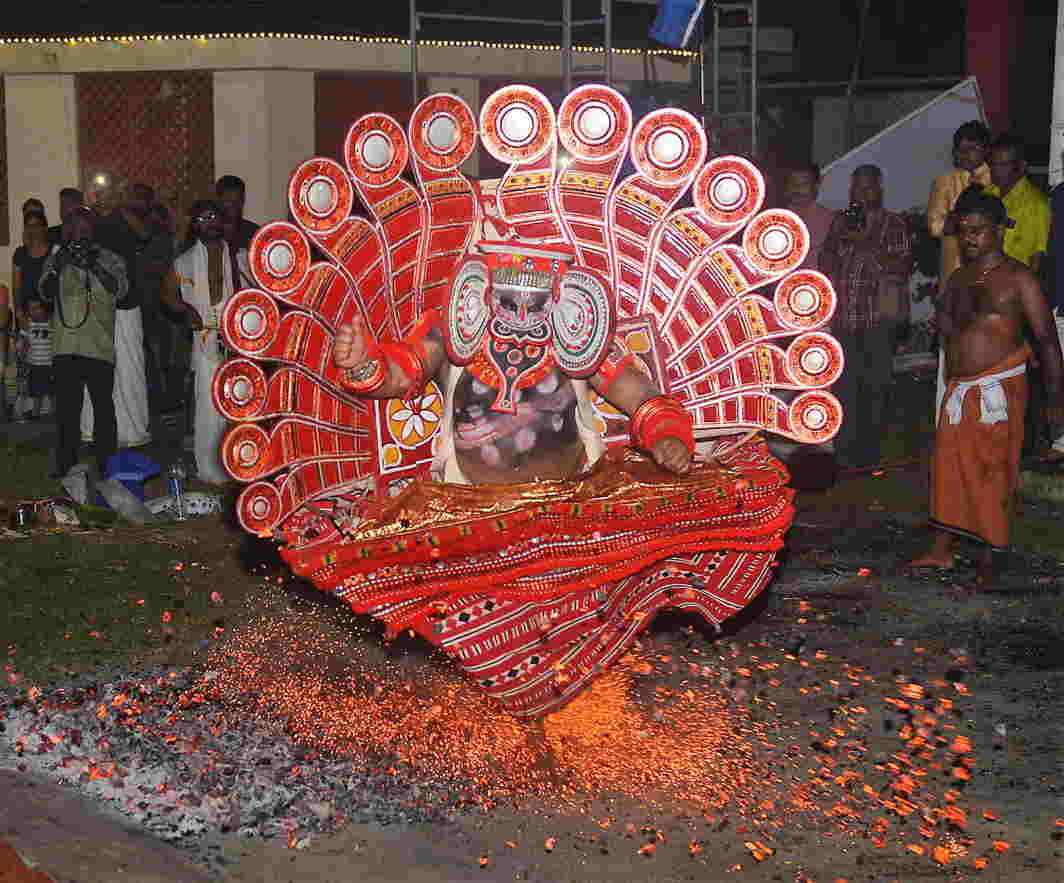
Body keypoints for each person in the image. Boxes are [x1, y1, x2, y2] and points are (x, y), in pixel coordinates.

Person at [909, 188, 1064, 585]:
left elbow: (1047, 340)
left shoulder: (1019, 279)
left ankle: (993, 553)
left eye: (979, 231)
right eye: (964, 232)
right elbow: (948, 324)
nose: (970, 238)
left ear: (999, 230)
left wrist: (1055, 400)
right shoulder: (960, 277)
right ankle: (943, 549)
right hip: (959, 388)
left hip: (997, 392)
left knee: (992, 472)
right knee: (948, 468)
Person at [819, 164, 913, 470]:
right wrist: (835, 240)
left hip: (878, 322)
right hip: (845, 320)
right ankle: (845, 456)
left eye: (867, 187)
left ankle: (871, 457)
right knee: (846, 389)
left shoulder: (894, 224)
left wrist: (864, 241)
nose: (861, 193)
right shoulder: (840, 222)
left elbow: (900, 269)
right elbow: (825, 264)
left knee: (875, 389)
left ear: (879, 190)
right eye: (856, 188)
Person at [160, 199, 249, 484]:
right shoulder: (183, 261)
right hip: (205, 341)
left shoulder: (239, 257)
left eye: (213, 217)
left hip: (240, 342)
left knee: (241, 402)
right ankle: (210, 470)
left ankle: (242, 464)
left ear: (222, 221)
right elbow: (166, 295)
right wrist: (185, 309)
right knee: (207, 404)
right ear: (194, 226)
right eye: (201, 219)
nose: (208, 223)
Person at [38, 206, 128, 479]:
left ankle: (107, 466)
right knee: (67, 412)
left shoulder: (111, 258)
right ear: (69, 231)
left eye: (86, 227)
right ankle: (66, 467)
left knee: (103, 410)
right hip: (66, 347)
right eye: (76, 227)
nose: (82, 232)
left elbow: (120, 290)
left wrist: (94, 265)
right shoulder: (57, 259)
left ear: (94, 229)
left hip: (98, 346)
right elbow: (45, 292)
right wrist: (59, 265)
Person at [81, 182, 152, 448]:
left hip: (126, 304)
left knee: (130, 367)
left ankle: (132, 430)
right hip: (98, 304)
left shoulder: (133, 218)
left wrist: (124, 211)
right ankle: (92, 429)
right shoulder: (93, 221)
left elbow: (144, 234)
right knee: (96, 366)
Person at [12, 210, 57, 420]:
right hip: (27, 320)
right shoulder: (20, 254)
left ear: (44, 227)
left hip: (51, 320)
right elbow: (17, 288)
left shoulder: (54, 252)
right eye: (28, 225)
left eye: (36, 225)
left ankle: (50, 406)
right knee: (27, 367)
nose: (32, 230)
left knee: (49, 366)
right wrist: (20, 314)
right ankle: (27, 408)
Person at [781, 162, 836, 272]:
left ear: (817, 184)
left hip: (818, 285)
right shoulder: (773, 218)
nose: (797, 189)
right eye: (792, 184)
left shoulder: (832, 219)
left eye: (804, 184)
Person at [17, 296, 53, 420]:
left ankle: (54, 413)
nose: (33, 312)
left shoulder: (52, 324)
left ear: (44, 309)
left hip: (49, 364)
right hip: (34, 365)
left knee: (51, 391)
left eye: (36, 308)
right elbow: (23, 343)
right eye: (30, 309)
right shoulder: (28, 325)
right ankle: (35, 413)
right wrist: (22, 353)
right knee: (35, 391)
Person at [216, 175, 260, 256]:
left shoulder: (255, 234)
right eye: (228, 200)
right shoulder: (209, 233)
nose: (234, 205)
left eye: (238, 199)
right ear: (218, 200)